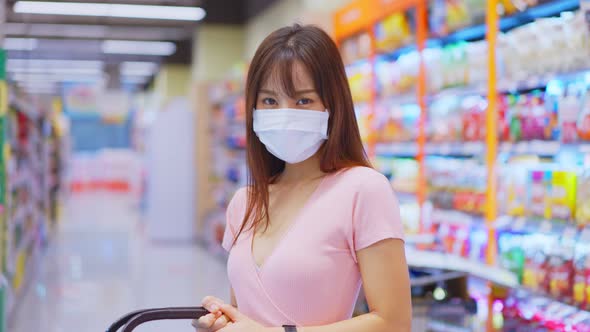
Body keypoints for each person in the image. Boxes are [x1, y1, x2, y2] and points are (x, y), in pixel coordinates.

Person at [194, 24, 411, 332]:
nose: (285, 114)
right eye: (270, 101)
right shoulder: (244, 202)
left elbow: (395, 322)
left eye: (303, 101)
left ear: (332, 106)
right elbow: (248, 314)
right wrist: (226, 321)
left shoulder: (363, 190)